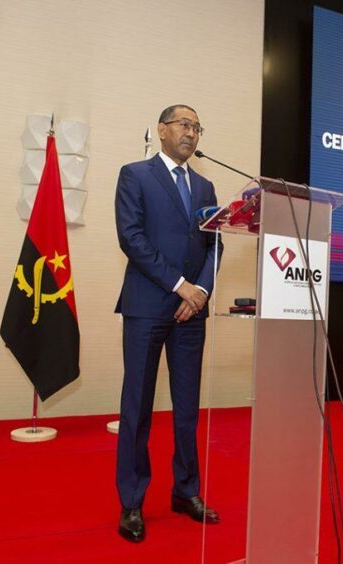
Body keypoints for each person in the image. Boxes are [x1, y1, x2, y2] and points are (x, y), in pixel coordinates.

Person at [114, 104, 223, 543]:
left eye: (197, 127)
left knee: (187, 410)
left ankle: (186, 491)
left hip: (190, 313)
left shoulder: (206, 185)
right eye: (184, 125)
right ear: (162, 130)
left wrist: (202, 292)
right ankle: (132, 502)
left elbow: (217, 245)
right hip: (146, 307)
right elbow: (131, 238)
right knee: (137, 408)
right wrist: (181, 285)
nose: (191, 133)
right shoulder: (135, 175)